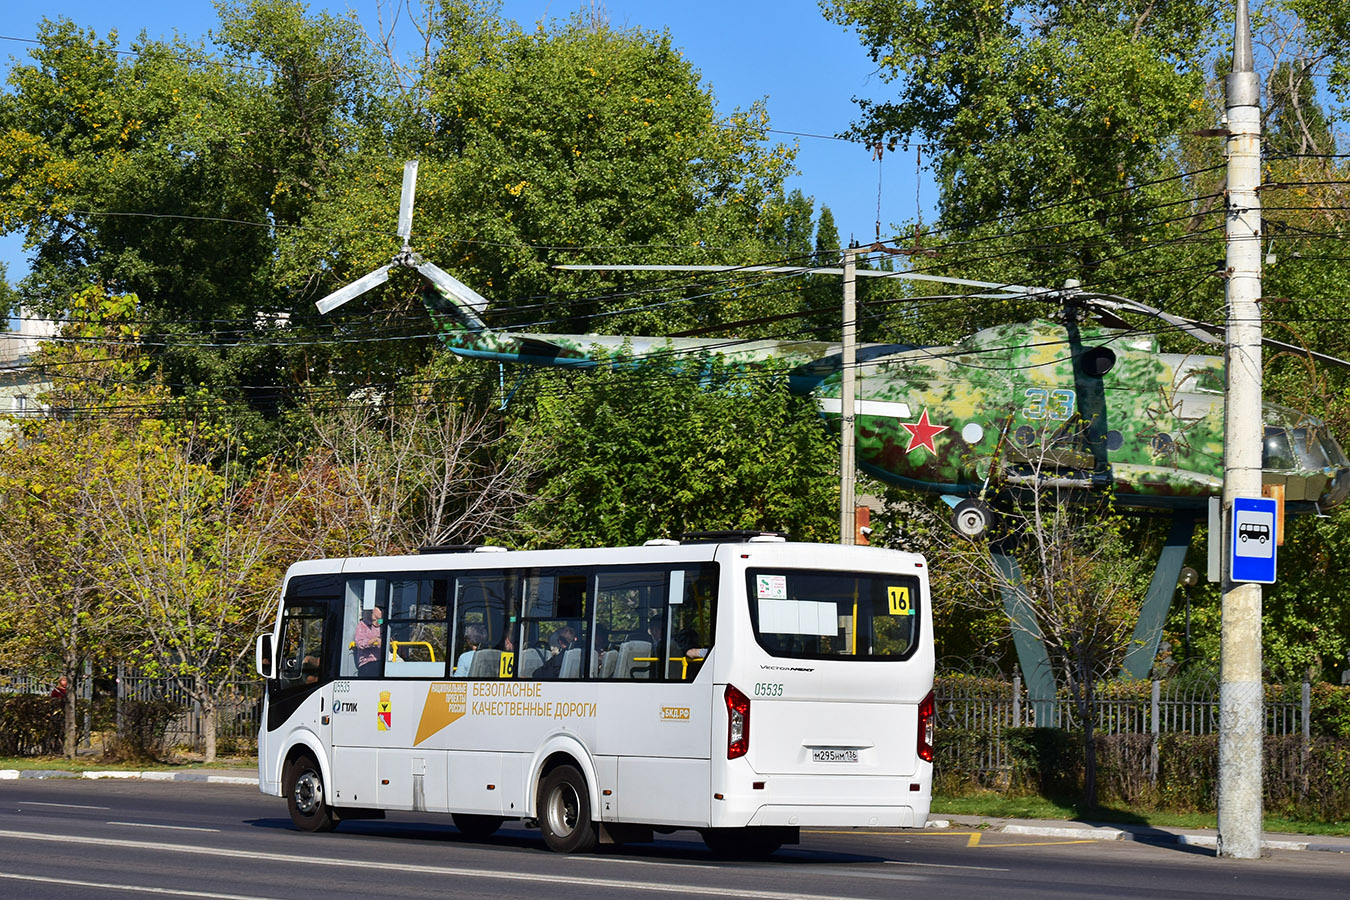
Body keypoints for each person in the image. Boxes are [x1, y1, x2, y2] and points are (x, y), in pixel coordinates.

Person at [355, 607, 384, 678]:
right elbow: (360, 643)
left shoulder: (383, 624)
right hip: (368, 662)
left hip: (383, 661)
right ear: (373, 611)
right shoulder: (363, 625)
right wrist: (374, 640)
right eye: (380, 609)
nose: (382, 611)